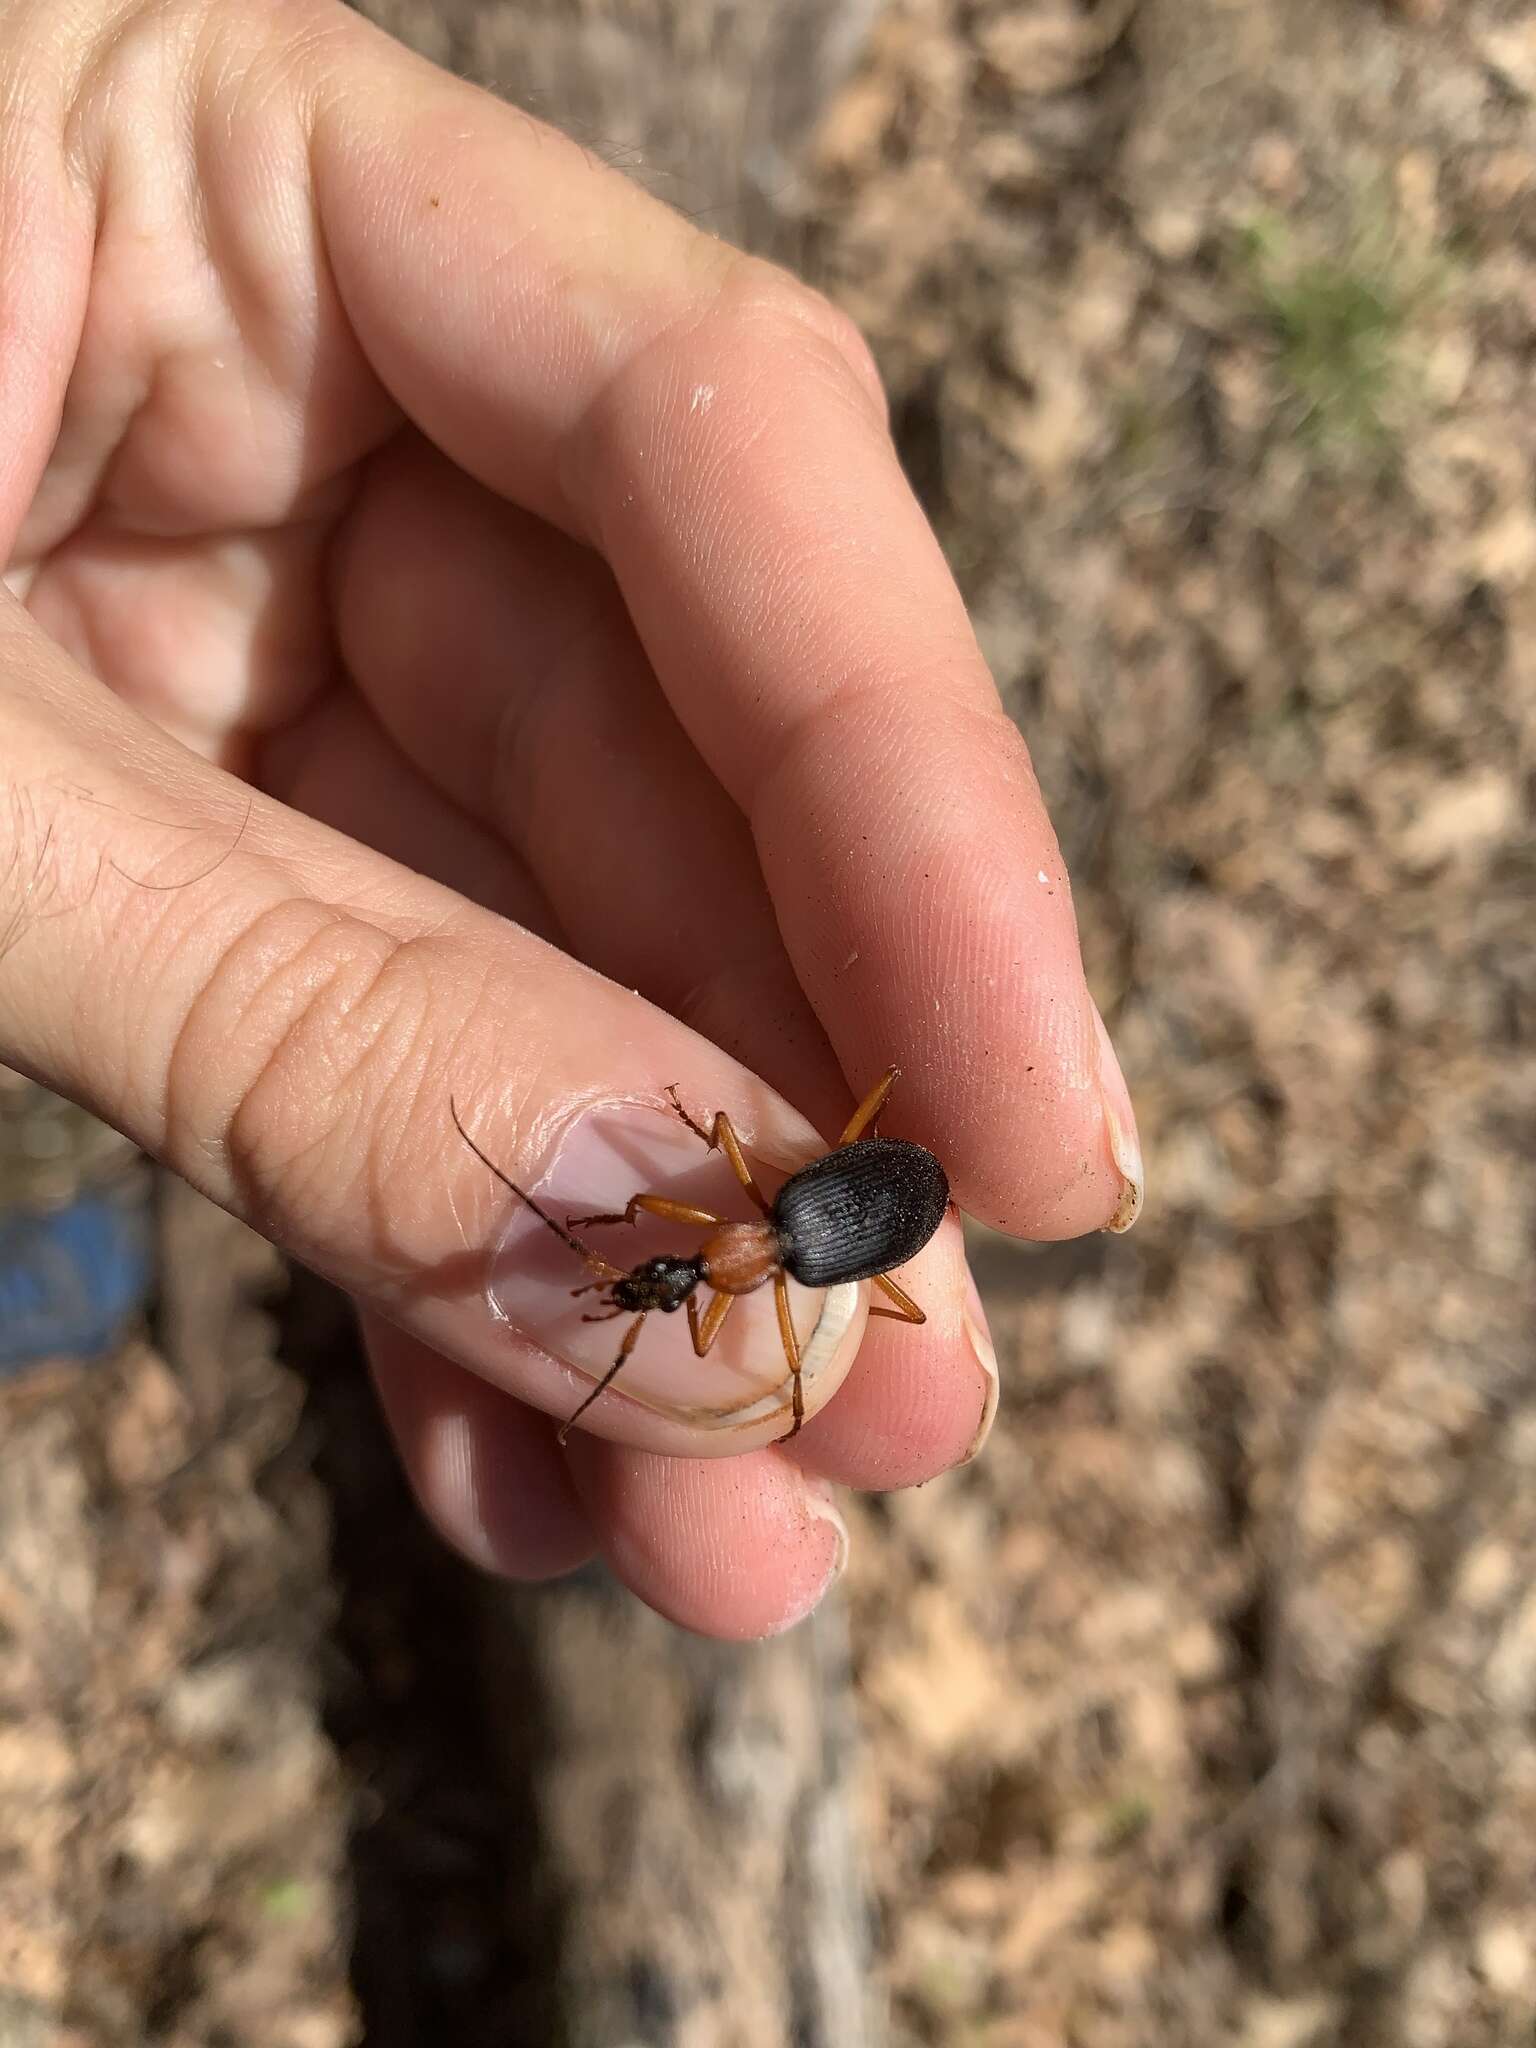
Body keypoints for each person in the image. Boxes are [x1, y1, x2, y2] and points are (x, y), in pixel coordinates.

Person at [0, 0, 1141, 1639]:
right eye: (676, 1289)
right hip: (846, 1201)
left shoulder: (770, 1217)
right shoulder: (757, 1215)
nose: (668, 1283)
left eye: (664, 1286)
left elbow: (768, 1202)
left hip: (854, 1202)